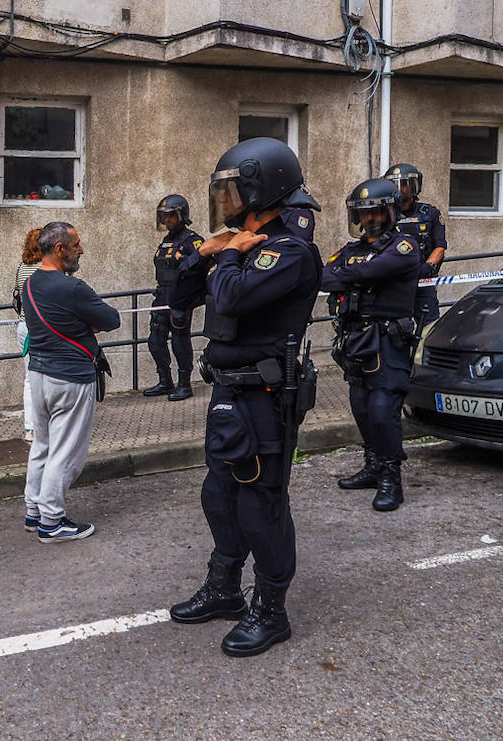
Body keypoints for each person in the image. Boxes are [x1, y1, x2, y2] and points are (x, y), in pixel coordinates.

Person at [168, 137, 322, 657]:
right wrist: (202, 254)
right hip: (228, 393)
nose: (226, 203)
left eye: (234, 192)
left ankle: (271, 609)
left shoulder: (290, 250)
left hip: (265, 397)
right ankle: (225, 587)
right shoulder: (240, 245)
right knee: (220, 496)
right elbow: (181, 296)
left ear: (264, 190)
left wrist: (228, 254)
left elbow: (231, 295)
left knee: (262, 504)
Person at [323, 178, 422, 512]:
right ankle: (373, 465)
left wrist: (353, 272)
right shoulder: (352, 250)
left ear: (390, 211)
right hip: (354, 339)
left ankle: (391, 478)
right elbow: (325, 276)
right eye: (364, 214)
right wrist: (359, 270)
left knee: (383, 410)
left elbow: (383, 267)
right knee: (361, 406)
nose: (370, 219)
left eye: (376, 212)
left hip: (387, 340)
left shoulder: (406, 245)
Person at [20, 221, 120, 543]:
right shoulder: (74, 288)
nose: (82, 250)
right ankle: (52, 522)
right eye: (77, 244)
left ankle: (33, 511)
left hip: (38, 375)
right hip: (70, 379)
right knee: (66, 453)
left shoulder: (31, 283)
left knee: (42, 446)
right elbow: (112, 319)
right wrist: (87, 326)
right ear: (60, 249)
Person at [144, 194, 207, 402]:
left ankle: (184, 384)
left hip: (180, 297)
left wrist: (185, 260)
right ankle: (165, 380)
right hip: (162, 295)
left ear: (181, 215)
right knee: (155, 340)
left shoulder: (192, 240)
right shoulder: (166, 241)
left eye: (170, 216)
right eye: (164, 217)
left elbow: (203, 264)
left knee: (180, 340)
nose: (167, 220)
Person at [384, 163, 447, 331]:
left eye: (405, 184)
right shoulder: (385, 215)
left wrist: (428, 266)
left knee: (429, 328)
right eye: (396, 185)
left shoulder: (430, 213)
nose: (401, 189)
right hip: (394, 285)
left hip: (422, 282)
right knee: (394, 331)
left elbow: (439, 247)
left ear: (414, 186)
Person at [13, 230, 42, 442]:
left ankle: (30, 428)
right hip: (41, 328)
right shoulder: (46, 268)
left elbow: (16, 294)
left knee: (29, 380)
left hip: (23, 326)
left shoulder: (22, 268)